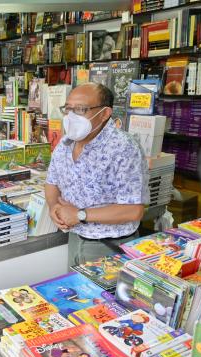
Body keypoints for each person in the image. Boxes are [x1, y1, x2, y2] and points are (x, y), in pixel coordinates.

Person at [45, 83, 149, 267]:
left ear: (104, 113)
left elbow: (134, 210)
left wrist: (80, 215)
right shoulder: (66, 142)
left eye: (81, 109)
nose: (71, 117)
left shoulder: (124, 148)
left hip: (109, 247)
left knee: (105, 296)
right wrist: (54, 207)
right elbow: (52, 181)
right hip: (75, 239)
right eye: (68, 109)